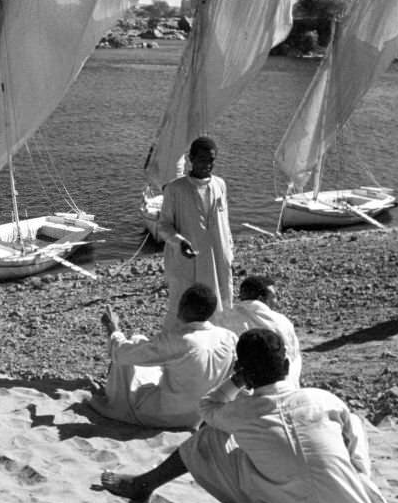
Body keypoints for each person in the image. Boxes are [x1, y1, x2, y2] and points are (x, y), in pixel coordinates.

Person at [99, 328, 393, 503]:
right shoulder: (323, 400)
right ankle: (357, 486)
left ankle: (144, 484)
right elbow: (350, 435)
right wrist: (360, 475)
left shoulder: (244, 412)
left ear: (244, 373)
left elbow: (208, 407)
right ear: (287, 365)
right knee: (350, 426)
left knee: (209, 437)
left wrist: (237, 381)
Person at [87, 283, 237, 429]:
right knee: (142, 345)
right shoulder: (228, 337)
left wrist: (113, 328)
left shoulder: (180, 340)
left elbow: (121, 353)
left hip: (163, 415)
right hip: (199, 416)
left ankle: (114, 401)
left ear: (183, 307)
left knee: (132, 347)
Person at [157, 136, 234, 331]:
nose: (207, 165)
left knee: (219, 306)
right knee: (183, 307)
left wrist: (229, 252)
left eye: (211, 160)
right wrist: (179, 242)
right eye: (202, 159)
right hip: (188, 261)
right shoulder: (175, 189)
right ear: (190, 158)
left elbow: (224, 224)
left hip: (218, 259)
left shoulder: (220, 185)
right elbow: (164, 226)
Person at [212, 275, 301, 386]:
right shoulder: (280, 321)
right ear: (261, 299)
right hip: (275, 387)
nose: (276, 301)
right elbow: (292, 357)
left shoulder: (222, 318)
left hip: (233, 388)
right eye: (274, 297)